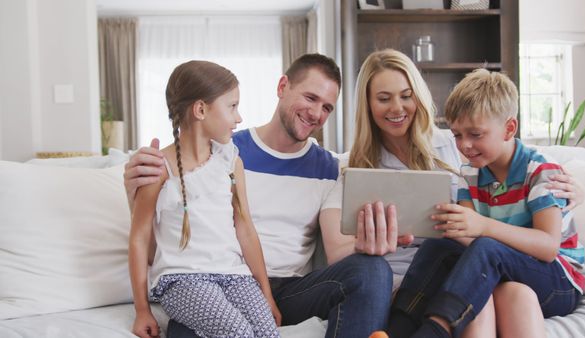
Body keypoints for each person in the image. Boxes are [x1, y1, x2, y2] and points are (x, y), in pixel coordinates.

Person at [124, 54, 407, 338]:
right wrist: (133, 192)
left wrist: (375, 239)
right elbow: (160, 237)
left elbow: (335, 251)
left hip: (287, 288)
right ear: (283, 86)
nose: (316, 113)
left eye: (327, 108)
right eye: (310, 98)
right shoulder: (226, 148)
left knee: (372, 270)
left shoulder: (330, 168)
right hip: (206, 284)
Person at [348, 49, 552, 338]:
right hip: (416, 273)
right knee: (446, 251)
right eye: (383, 98)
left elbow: (513, 156)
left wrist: (570, 189)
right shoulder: (356, 166)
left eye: (406, 95)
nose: (397, 107)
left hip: (467, 265)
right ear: (367, 105)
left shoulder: (460, 148)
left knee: (471, 270)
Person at [383, 68, 585, 338]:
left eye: (476, 134)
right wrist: (452, 226)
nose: (465, 145)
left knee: (487, 245)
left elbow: (548, 248)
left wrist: (481, 226)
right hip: (508, 272)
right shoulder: (470, 172)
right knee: (441, 244)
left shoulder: (540, 172)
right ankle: (396, 330)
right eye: (457, 135)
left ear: (509, 129)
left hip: (558, 280)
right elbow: (467, 240)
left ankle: (435, 330)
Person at [128, 60, 280, 338]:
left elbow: (245, 230)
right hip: (182, 279)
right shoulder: (160, 167)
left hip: (236, 276)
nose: (239, 118)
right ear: (200, 109)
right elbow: (138, 238)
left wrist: (266, 293)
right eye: (232, 106)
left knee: (268, 334)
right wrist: (142, 310)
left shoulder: (232, 163)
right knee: (239, 333)